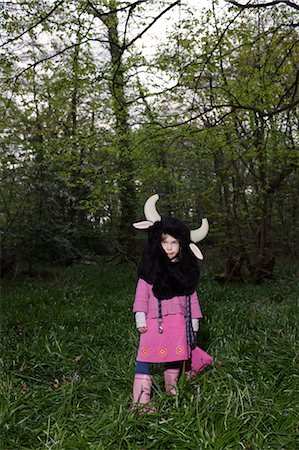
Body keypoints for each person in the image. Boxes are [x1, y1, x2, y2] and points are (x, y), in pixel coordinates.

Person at [131, 194, 209, 409]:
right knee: (145, 357)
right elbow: (141, 294)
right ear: (157, 242)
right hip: (154, 322)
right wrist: (140, 316)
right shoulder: (150, 270)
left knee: (175, 356)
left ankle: (171, 393)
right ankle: (141, 401)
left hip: (178, 323)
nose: (169, 247)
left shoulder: (186, 272)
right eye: (164, 242)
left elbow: (192, 296)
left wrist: (194, 321)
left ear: (183, 245)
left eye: (174, 242)